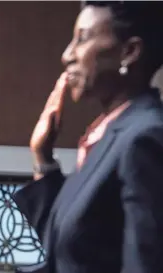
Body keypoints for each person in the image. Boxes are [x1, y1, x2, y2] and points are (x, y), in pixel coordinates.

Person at [13, 1, 163, 273]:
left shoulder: (145, 139)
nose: (67, 54)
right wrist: (43, 157)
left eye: (82, 39)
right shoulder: (108, 136)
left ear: (129, 52)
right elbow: (70, 251)